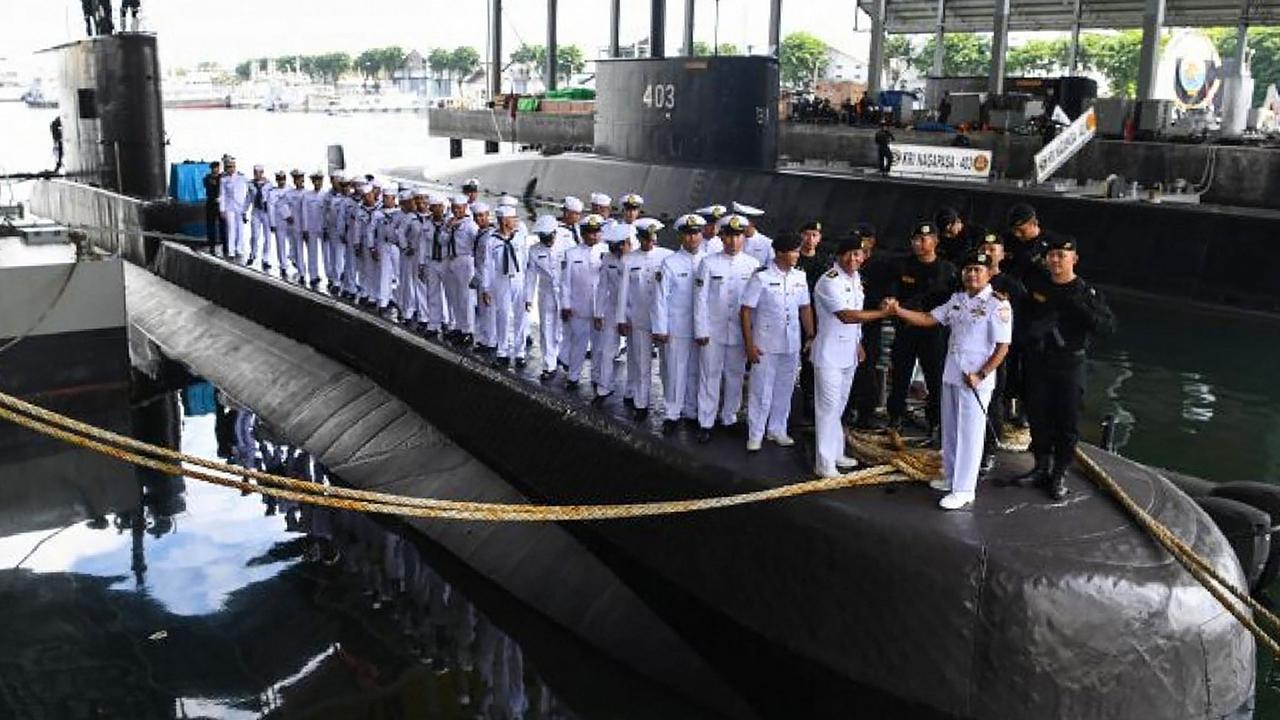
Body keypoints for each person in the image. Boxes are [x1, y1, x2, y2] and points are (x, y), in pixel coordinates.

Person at [887, 248, 1012, 510]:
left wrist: (982, 374)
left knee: (970, 434)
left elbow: (1002, 347)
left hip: (975, 379)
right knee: (952, 431)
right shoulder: (957, 300)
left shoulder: (998, 305)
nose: (972, 274)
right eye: (968, 270)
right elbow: (927, 318)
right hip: (953, 374)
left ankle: (965, 488)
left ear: (989, 274)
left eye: (978, 270)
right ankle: (951, 476)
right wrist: (898, 312)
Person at [1018, 235, 1115, 500]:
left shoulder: (1086, 292)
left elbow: (1107, 327)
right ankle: (1041, 466)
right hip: (1039, 361)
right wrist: (1031, 334)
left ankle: (1059, 472)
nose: (1056, 260)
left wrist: (1081, 309)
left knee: (1066, 420)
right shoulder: (1037, 286)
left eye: (1062, 255)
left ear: (1074, 259)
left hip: (1069, 363)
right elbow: (1021, 319)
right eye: (1052, 255)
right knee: (1037, 415)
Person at [811, 237, 892, 478]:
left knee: (839, 407)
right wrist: (882, 313)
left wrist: (858, 343)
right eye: (848, 254)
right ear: (838, 256)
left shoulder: (855, 279)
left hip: (848, 354)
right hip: (828, 355)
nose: (853, 259)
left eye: (858, 254)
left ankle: (836, 453)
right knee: (827, 409)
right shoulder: (829, 281)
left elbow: (854, 319)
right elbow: (846, 316)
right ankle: (824, 463)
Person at [740, 233, 814, 451]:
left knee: (784, 389)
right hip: (765, 344)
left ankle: (777, 429)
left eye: (797, 251)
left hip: (791, 343)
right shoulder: (760, 277)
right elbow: (745, 311)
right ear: (780, 253)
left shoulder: (799, 277)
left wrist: (810, 335)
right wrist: (749, 344)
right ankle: (755, 433)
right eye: (793, 251)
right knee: (761, 390)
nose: (797, 255)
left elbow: (805, 307)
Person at [886, 220, 958, 437]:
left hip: (933, 332)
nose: (918, 243)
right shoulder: (902, 266)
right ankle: (895, 417)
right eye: (915, 239)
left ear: (935, 241)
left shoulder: (947, 270)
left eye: (923, 239)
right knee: (900, 375)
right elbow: (893, 295)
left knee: (935, 378)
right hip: (906, 329)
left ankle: (935, 420)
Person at [693, 214, 760, 443]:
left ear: (743, 237)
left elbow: (755, 304)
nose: (733, 242)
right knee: (709, 375)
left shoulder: (752, 265)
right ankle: (706, 420)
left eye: (738, 237)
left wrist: (753, 334)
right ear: (721, 238)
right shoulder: (709, 263)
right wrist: (701, 329)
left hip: (740, 332)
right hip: (713, 330)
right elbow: (700, 299)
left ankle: (729, 416)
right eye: (729, 237)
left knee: (735, 375)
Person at [652, 214, 707, 434]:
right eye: (688, 234)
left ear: (702, 234)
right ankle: (672, 413)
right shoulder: (670, 263)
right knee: (676, 370)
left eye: (696, 233)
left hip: (701, 328)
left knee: (696, 370)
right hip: (677, 326)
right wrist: (660, 328)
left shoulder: (709, 260)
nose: (693, 238)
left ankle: (692, 411)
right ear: (682, 236)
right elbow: (660, 298)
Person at [617, 218, 672, 419]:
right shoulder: (628, 260)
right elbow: (623, 292)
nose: (650, 242)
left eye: (653, 239)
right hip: (638, 317)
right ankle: (641, 404)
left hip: (662, 320)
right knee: (641, 363)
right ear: (640, 238)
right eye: (646, 239)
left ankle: (672, 407)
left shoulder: (667, 257)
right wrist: (621, 318)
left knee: (668, 365)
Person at [848, 223, 893, 428]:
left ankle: (867, 412)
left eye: (864, 239)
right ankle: (849, 408)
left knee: (868, 366)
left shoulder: (880, 264)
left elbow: (885, 292)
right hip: (849, 322)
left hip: (870, 321)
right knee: (848, 366)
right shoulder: (848, 261)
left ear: (872, 241)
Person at [559, 214, 606, 389]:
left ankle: (596, 377)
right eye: (590, 232)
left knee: (599, 347)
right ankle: (573, 376)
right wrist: (565, 305)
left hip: (600, 309)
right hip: (578, 308)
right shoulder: (571, 254)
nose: (594, 236)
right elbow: (565, 283)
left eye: (597, 232)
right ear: (583, 233)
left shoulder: (606, 252)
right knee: (578, 344)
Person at [481, 205, 530, 368]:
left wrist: (528, 287)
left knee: (521, 316)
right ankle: (502, 352)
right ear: (503, 221)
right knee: (502, 316)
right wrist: (486, 288)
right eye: (512, 219)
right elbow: (487, 266)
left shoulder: (520, 237)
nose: (516, 221)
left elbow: (526, 262)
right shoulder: (492, 240)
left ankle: (520, 352)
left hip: (518, 279)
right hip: (501, 280)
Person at [795, 221, 832, 419]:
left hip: (814, 317)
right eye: (807, 234)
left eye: (815, 235)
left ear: (819, 238)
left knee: (810, 361)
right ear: (800, 235)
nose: (810, 239)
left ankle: (809, 399)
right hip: (792, 316)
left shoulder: (824, 264)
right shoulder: (793, 258)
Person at [592, 223, 632, 398]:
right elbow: (602, 287)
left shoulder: (638, 258)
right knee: (606, 349)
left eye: (617, 247)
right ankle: (604, 387)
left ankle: (633, 391)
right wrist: (598, 312)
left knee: (636, 354)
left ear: (626, 243)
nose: (614, 251)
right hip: (613, 308)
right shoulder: (608, 259)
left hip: (634, 310)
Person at [526, 215, 565, 379]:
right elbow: (531, 275)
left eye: (549, 237)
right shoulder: (534, 250)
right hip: (546, 292)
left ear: (555, 234)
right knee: (546, 328)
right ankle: (549, 365)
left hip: (565, 292)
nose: (547, 241)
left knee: (564, 327)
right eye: (544, 238)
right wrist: (528, 298)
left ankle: (564, 356)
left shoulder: (567, 246)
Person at [444, 194, 479, 344]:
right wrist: (447, 229)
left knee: (466, 297)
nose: (456, 211)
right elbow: (442, 241)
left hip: (465, 260)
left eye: (459, 208)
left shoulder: (470, 225)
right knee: (454, 296)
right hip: (451, 260)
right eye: (454, 208)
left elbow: (477, 245)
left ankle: (468, 330)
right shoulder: (450, 222)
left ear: (465, 208)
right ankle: (458, 326)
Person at [299, 170, 327, 288]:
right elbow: (304, 213)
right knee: (312, 253)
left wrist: (326, 229)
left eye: (319, 181)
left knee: (326, 254)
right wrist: (305, 229)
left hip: (322, 227)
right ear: (312, 182)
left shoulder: (326, 195)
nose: (318, 183)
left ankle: (330, 277)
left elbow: (327, 214)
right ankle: (313, 276)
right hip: (310, 228)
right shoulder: (307, 196)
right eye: (315, 181)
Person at [218, 156, 249, 261]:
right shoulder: (224, 180)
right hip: (229, 206)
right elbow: (222, 195)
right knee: (231, 228)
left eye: (232, 166)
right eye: (228, 167)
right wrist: (221, 209)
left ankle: (239, 248)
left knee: (240, 228)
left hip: (240, 207)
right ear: (226, 168)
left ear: (235, 167)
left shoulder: (242, 177)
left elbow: (251, 186)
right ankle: (231, 250)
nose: (231, 168)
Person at [245, 165, 271, 268]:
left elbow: (272, 200)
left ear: (262, 172)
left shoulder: (268, 184)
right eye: (255, 172)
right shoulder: (251, 184)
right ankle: (253, 254)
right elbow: (248, 199)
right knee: (255, 235)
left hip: (266, 212)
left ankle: (265, 258)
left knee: (267, 237)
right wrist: (244, 211)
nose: (257, 174)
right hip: (255, 211)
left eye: (259, 172)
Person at [734, 202, 773, 266]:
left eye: (742, 222)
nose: (739, 225)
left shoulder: (768, 244)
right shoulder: (729, 241)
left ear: (752, 222)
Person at [202, 160, 223, 254]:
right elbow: (208, 186)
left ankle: (224, 245)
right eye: (214, 168)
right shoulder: (207, 178)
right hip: (210, 203)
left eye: (217, 168)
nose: (215, 170)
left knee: (222, 225)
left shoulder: (222, 178)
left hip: (220, 203)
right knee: (211, 225)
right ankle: (212, 246)